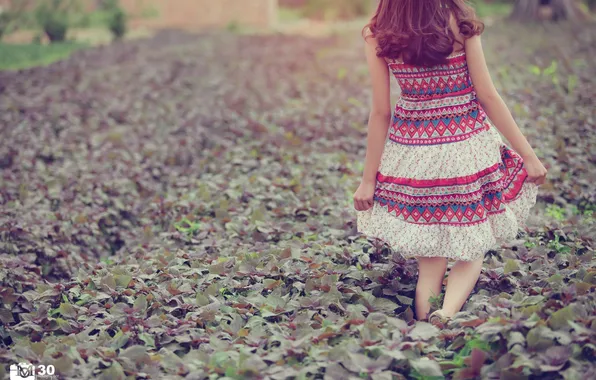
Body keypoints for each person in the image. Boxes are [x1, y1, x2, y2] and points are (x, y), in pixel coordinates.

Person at [354, 0, 547, 326]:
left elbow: (380, 112)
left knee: (430, 262)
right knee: (471, 245)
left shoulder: (378, 32)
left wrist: (368, 179)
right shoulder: (459, 22)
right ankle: (448, 312)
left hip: (414, 156)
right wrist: (528, 155)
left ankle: (426, 321)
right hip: (466, 150)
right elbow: (487, 95)